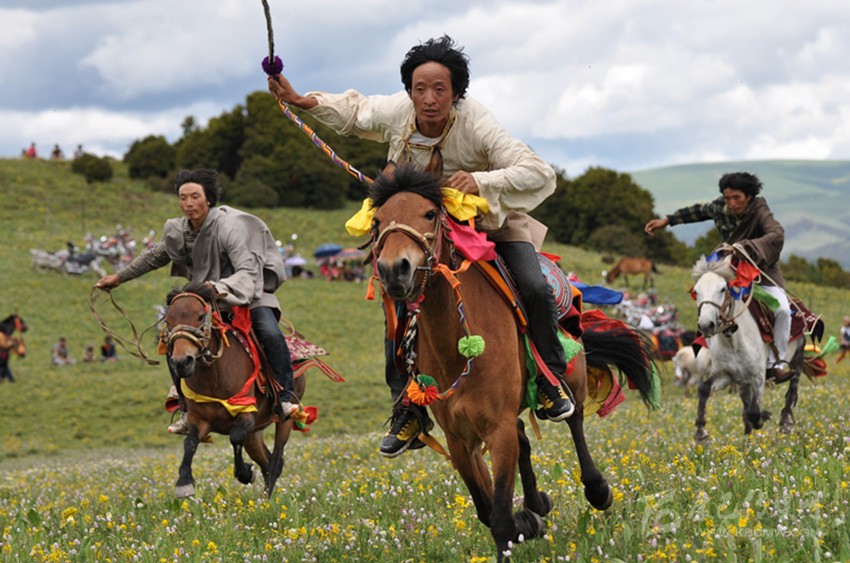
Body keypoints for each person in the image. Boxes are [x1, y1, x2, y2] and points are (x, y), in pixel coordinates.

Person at [268, 35, 575, 458]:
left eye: (439, 89)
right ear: (410, 91)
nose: (429, 99)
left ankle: (550, 381)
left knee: (534, 285)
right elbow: (357, 111)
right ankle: (408, 408)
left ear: (456, 92)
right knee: (395, 308)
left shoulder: (477, 122)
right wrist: (305, 101)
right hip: (424, 230)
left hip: (489, 224)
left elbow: (539, 172)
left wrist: (481, 180)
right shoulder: (400, 112)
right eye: (419, 89)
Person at [95, 169, 299, 434]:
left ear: (208, 199)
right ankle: (186, 409)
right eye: (183, 198)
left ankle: (285, 397)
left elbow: (247, 271)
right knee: (174, 338)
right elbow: (154, 256)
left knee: (269, 332)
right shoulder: (179, 231)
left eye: (194, 197)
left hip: (246, 293)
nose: (188, 203)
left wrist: (218, 287)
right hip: (205, 300)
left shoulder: (228, 228)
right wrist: (119, 277)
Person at [644, 171, 792, 381]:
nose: (731, 203)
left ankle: (777, 363)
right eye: (727, 198)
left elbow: (776, 234)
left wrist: (745, 247)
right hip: (727, 269)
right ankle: (717, 359)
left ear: (749, 196)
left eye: (736, 198)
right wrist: (667, 221)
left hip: (761, 271)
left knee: (783, 309)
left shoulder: (760, 211)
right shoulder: (719, 207)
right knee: (708, 302)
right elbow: (697, 212)